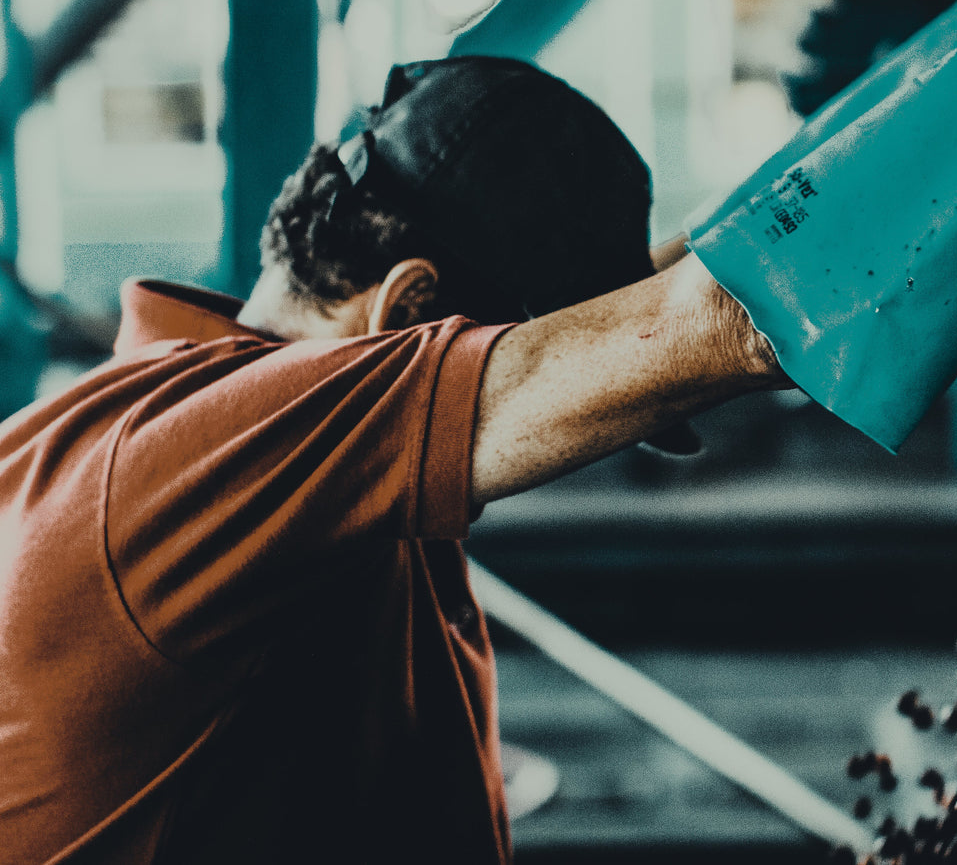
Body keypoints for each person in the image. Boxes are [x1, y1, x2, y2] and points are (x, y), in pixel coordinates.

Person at [0, 57, 784, 864]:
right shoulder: (206, 456)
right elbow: (715, 329)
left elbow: (621, 323)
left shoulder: (206, 439)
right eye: (488, 347)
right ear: (408, 307)